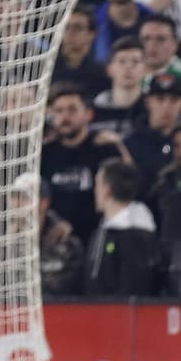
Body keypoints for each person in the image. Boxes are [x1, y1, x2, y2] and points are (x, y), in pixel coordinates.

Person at [41, 84, 125, 244]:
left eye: (72, 110)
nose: (65, 117)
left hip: (99, 236)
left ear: (88, 114)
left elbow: (119, 198)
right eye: (59, 111)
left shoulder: (105, 150)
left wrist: (73, 225)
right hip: (54, 238)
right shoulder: (45, 155)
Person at [83, 158, 161, 296]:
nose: (95, 191)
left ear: (107, 190)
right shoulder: (102, 231)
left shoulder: (135, 237)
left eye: (97, 185)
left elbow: (133, 289)